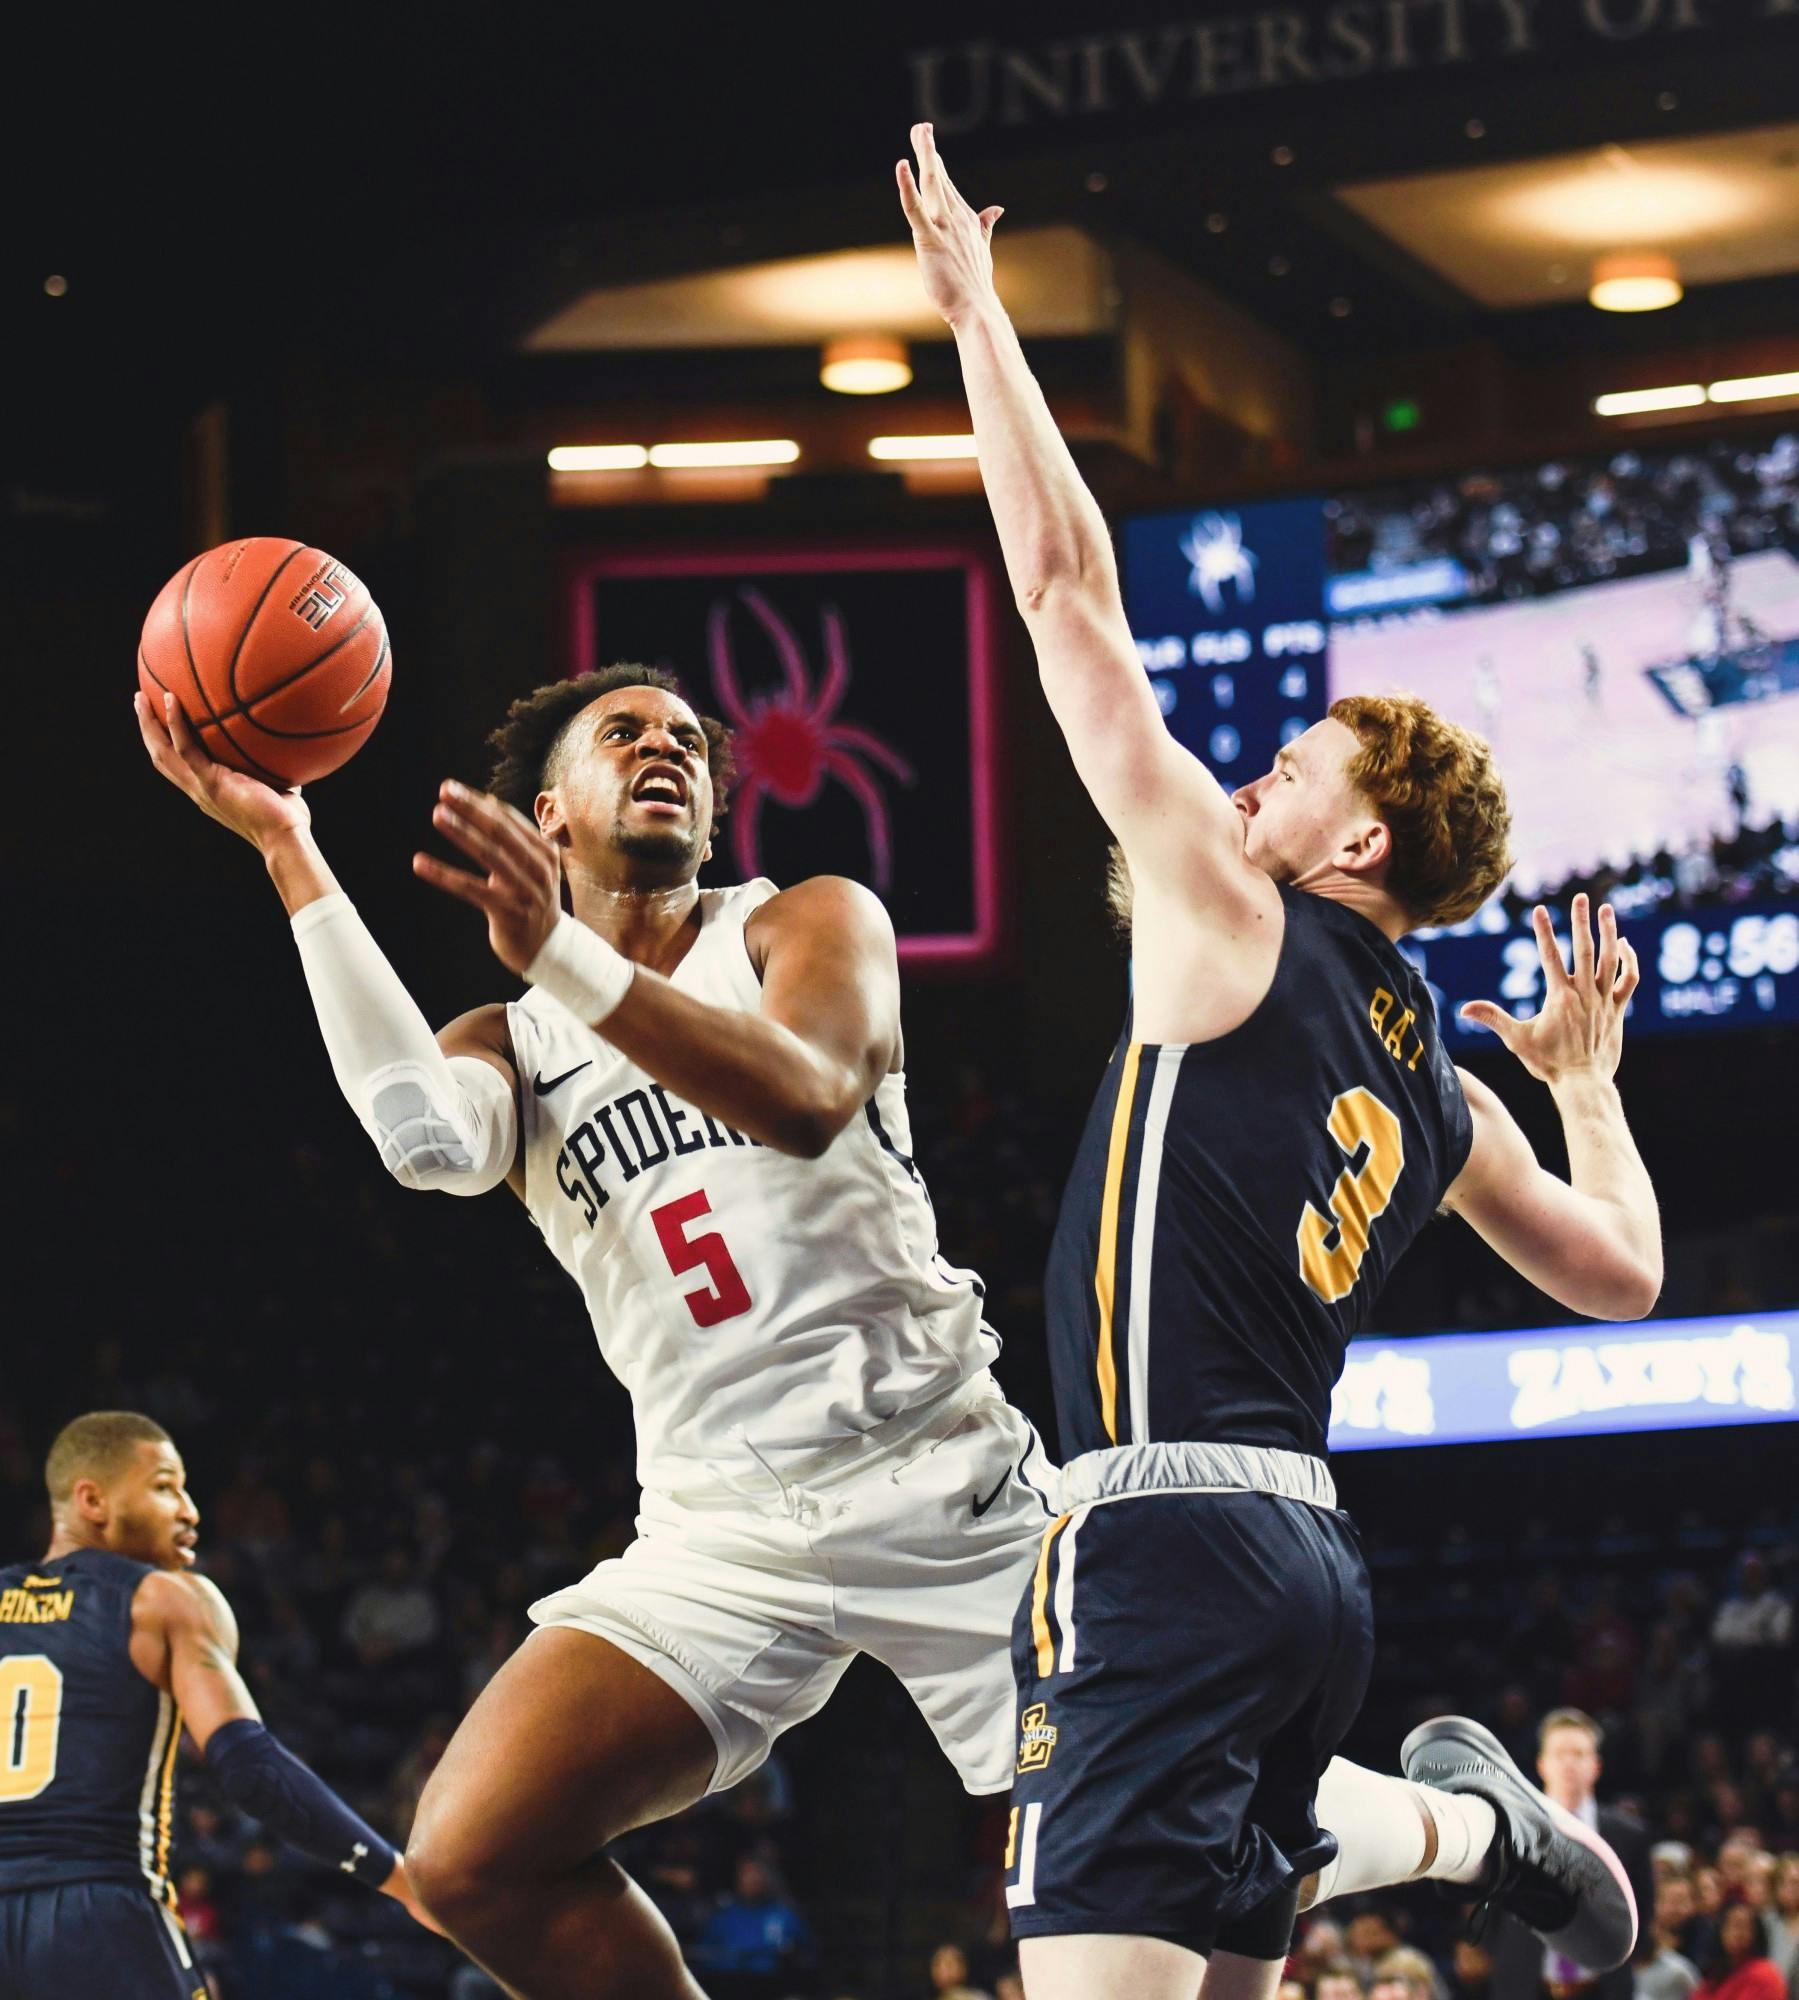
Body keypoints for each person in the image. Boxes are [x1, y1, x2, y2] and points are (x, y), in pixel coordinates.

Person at [137, 615, 1636, 1990]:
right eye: (624, 735)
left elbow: (799, 1098)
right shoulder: (508, 1036)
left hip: (943, 1479)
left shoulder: (803, 924)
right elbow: (421, 1142)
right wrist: (291, 849)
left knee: (1215, 1808)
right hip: (717, 1526)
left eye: (687, 742)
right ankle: (1469, 1833)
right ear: (545, 818)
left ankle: (1471, 1837)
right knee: (467, 1858)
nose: (666, 747)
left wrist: (568, 959)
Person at [899, 117, 1657, 2000]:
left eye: (1294, 766)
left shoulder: (1235, 922)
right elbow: (1620, 1274)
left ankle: (1450, 1833)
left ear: (1355, 847)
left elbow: (1069, 598)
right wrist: (1581, 1088)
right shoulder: (1435, 1087)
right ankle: (1469, 1832)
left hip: (1159, 1539)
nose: (1252, 773)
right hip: (1304, 1562)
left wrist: (980, 319)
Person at [0, 1411, 434, 1999]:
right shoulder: (163, 1600)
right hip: (97, 1913)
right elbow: (251, 1768)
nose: (189, 1510)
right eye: (164, 1486)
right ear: (92, 1500)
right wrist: (397, 1877)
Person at [1488, 1712, 1653, 2000]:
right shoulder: (1508, 1828)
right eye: (1559, 1754)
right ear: (1541, 1764)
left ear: (1596, 1765)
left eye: (1578, 1754)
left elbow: (1642, 1912)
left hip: (1603, 1989)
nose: (1568, 1763)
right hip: (1527, 1986)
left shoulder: (1629, 1835)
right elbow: (1490, 1911)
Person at [1696, 1910, 1788, 2000]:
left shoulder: (1765, 1975)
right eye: (1730, 1926)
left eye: (1743, 1927)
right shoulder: (1715, 1974)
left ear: (1756, 1933)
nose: (1736, 1933)